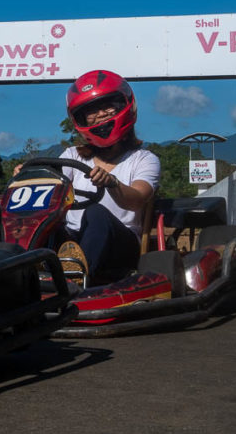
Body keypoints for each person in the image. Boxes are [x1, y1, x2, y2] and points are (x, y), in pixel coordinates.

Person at [56, 69, 160, 284]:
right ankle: (21, 274)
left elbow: (137, 199)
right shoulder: (72, 156)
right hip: (73, 240)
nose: (101, 114)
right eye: (91, 111)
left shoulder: (144, 159)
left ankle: (75, 280)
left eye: (107, 105)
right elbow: (52, 187)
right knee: (46, 223)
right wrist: (29, 176)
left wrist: (112, 183)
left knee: (96, 212)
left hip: (120, 244)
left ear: (125, 106)